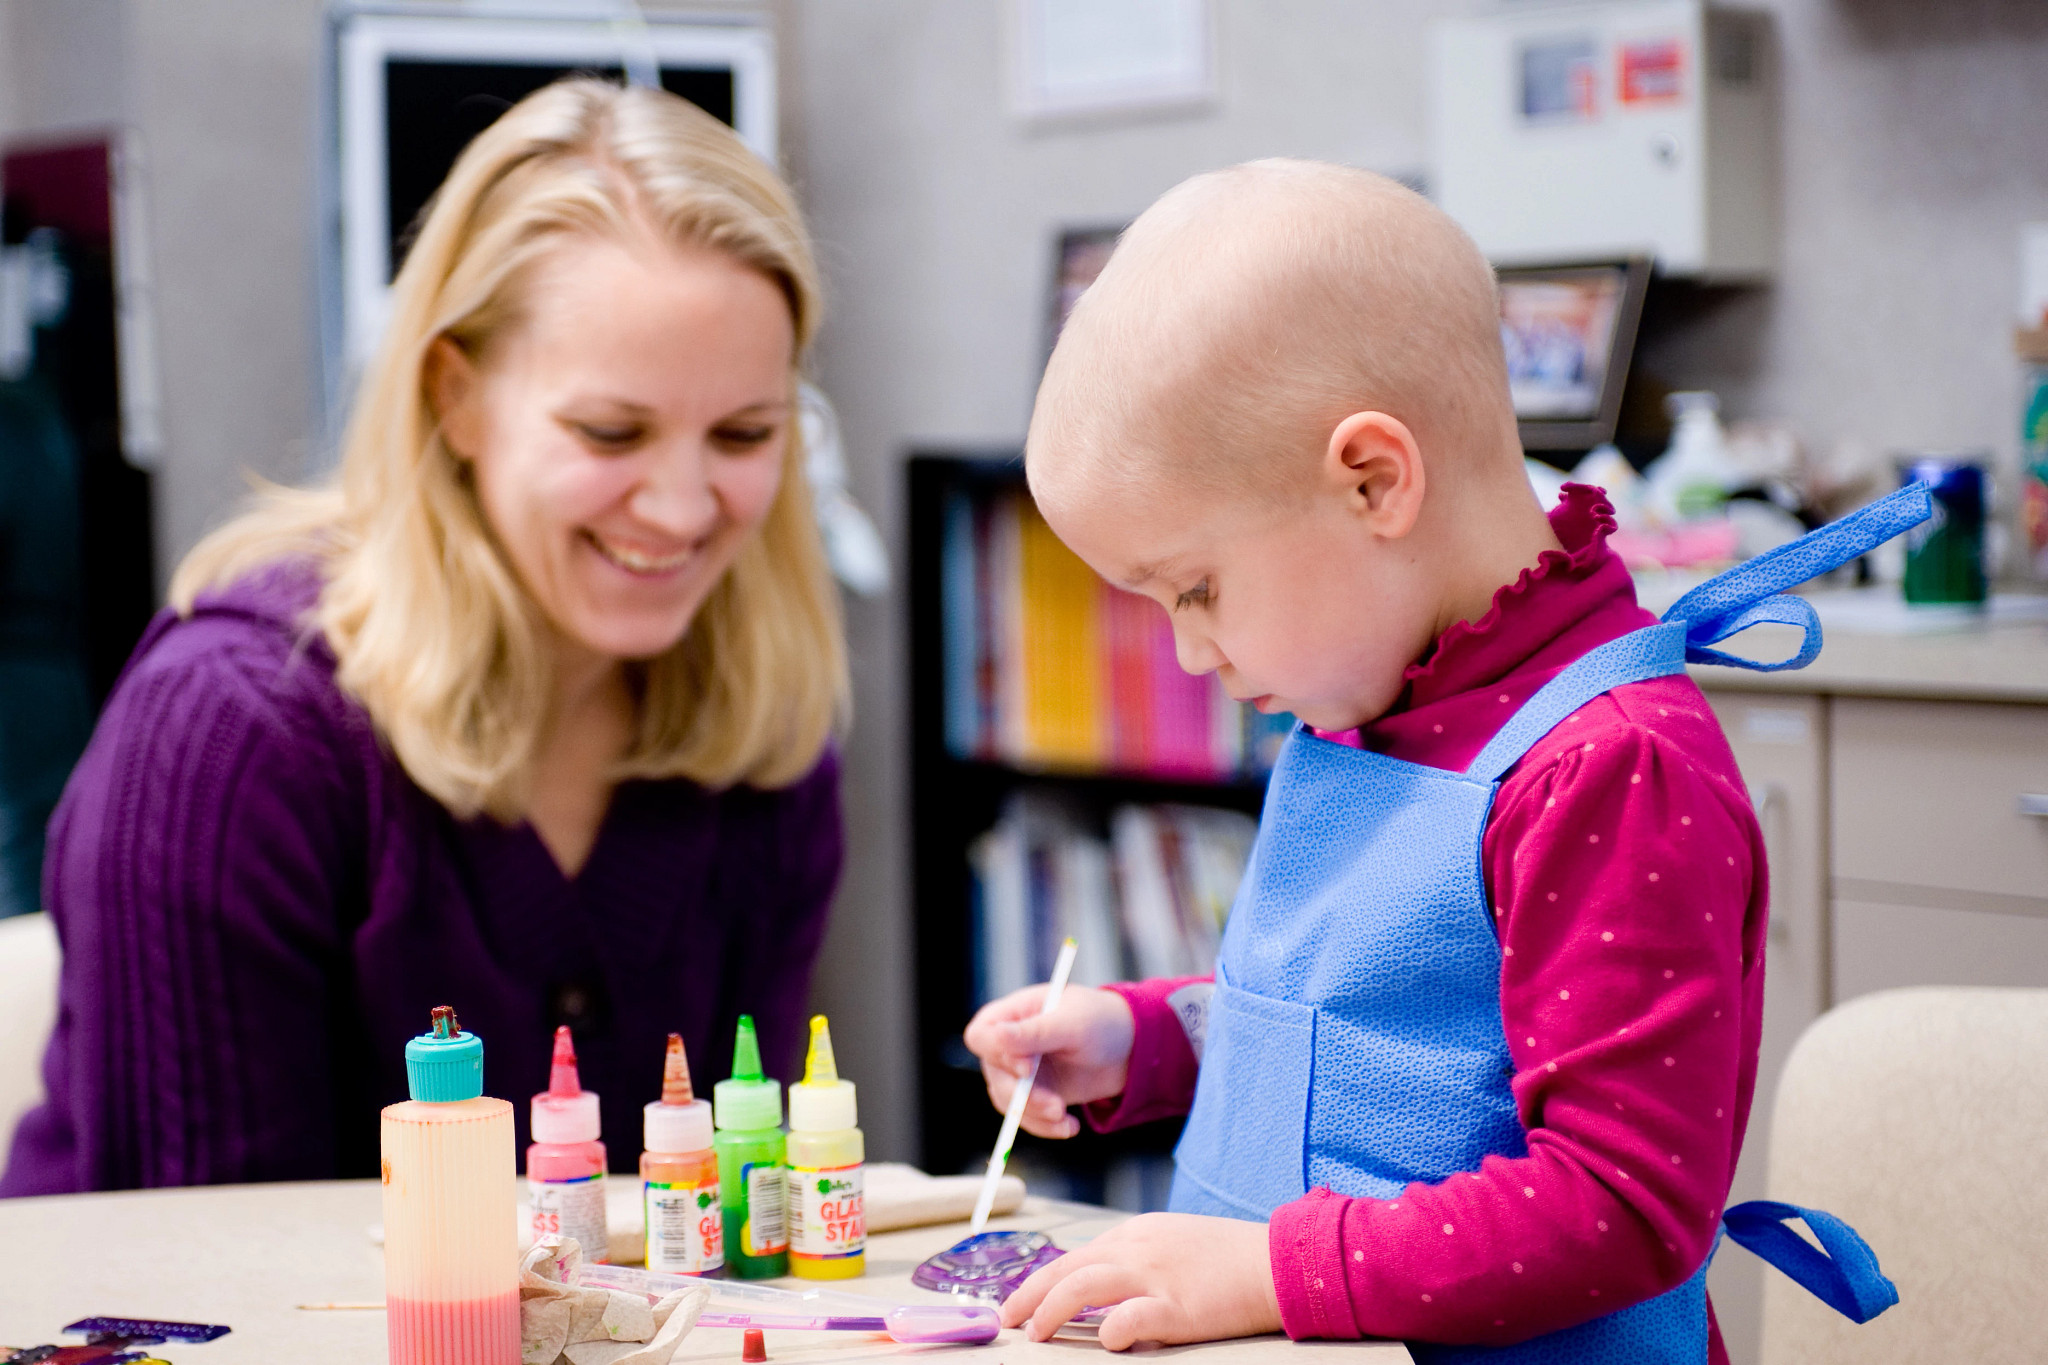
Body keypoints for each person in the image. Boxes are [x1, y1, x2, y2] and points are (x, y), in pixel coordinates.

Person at [964, 160, 1903, 1361]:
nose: (1189, 654)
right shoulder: (1369, 700)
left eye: (1194, 588)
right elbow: (1365, 1051)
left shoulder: (1611, 771)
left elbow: (1620, 1205)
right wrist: (1144, 1039)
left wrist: (1267, 1270)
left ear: (1372, 481)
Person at [0, 79, 848, 1195]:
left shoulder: (766, 747)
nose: (685, 509)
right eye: (610, 430)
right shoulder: (231, 736)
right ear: (456, 396)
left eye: (743, 433)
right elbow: (207, 1299)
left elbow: (729, 1215)